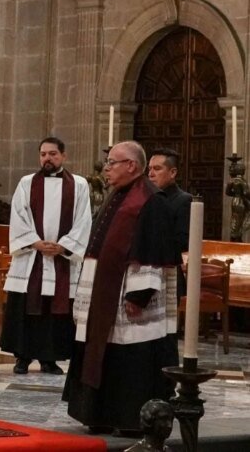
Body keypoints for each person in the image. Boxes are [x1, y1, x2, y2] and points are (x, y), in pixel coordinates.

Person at [62, 141, 179, 436]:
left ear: (131, 166)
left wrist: (138, 295)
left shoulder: (150, 201)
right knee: (105, 352)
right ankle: (101, 413)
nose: (107, 168)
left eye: (113, 162)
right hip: (104, 296)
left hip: (128, 300)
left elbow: (152, 249)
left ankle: (130, 418)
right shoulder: (119, 195)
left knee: (131, 356)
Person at [1, 137, 92, 375]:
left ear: (63, 156)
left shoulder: (79, 184)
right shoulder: (26, 182)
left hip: (61, 258)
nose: (47, 158)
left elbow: (84, 220)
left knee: (55, 312)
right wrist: (34, 242)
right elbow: (18, 215)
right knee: (26, 310)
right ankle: (22, 357)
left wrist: (64, 246)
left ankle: (49, 359)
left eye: (52, 154)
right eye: (43, 154)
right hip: (31, 257)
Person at [148, 147, 191, 296]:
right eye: (149, 169)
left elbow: (183, 240)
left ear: (173, 172)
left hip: (168, 270)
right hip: (145, 269)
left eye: (157, 169)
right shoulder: (147, 198)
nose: (151, 174)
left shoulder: (183, 200)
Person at [225, 161, 250, 241]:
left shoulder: (231, 181)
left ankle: (235, 234)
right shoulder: (242, 181)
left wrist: (236, 194)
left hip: (234, 201)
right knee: (241, 218)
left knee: (235, 218)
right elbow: (246, 193)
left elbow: (228, 192)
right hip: (242, 201)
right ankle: (237, 235)